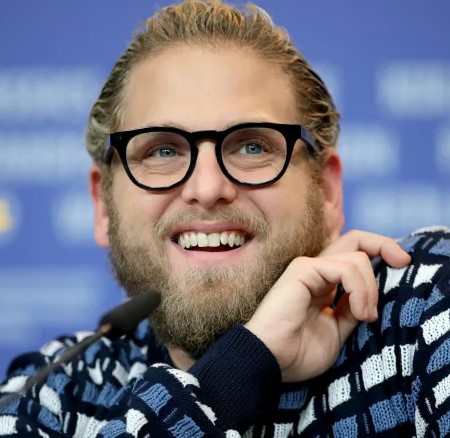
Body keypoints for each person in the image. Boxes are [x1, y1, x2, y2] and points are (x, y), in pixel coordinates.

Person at [0, 1, 449, 436]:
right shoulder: (51, 395)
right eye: (163, 150)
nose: (208, 188)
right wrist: (238, 371)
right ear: (102, 206)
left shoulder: (426, 302)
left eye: (252, 146)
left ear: (327, 191)